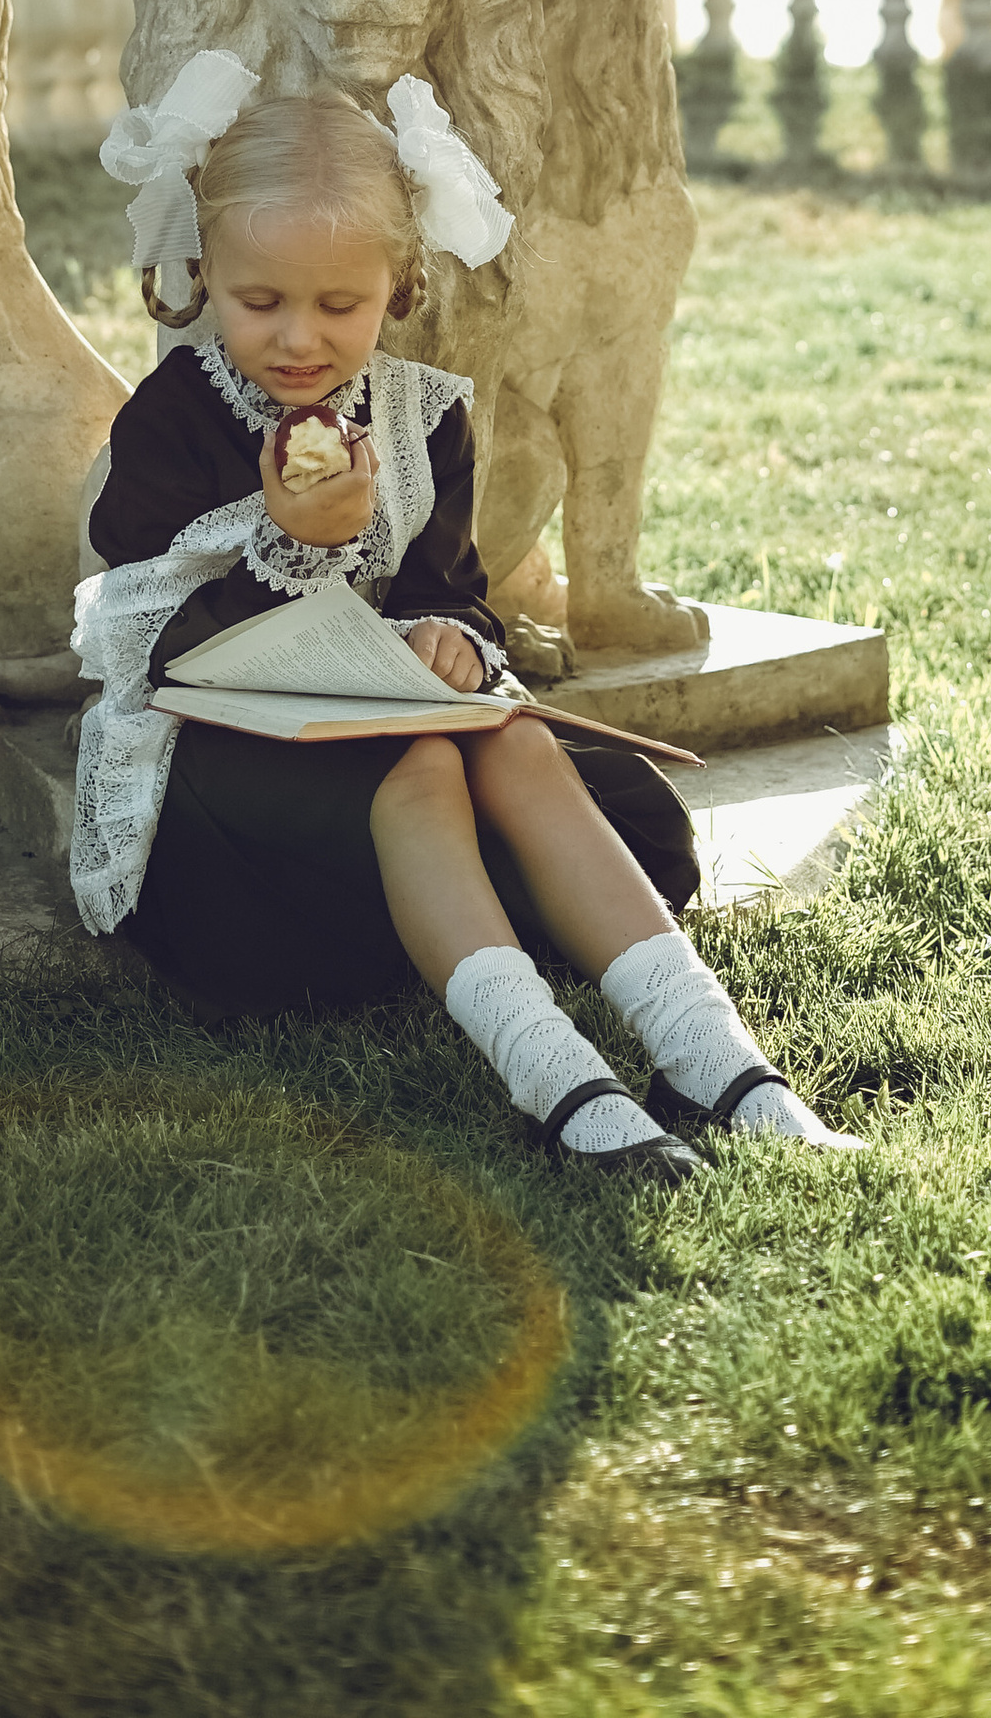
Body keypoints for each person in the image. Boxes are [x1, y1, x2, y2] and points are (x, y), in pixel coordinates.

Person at [71, 64, 862, 1179]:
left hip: (382, 722)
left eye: (337, 305)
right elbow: (146, 633)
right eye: (261, 303)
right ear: (208, 280)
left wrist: (447, 634)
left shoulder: (419, 418)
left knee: (523, 739)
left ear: (397, 287)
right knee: (429, 773)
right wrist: (293, 541)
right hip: (222, 769)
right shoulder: (175, 420)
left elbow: (447, 585)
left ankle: (718, 1062)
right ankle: (560, 1085)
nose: (298, 338)